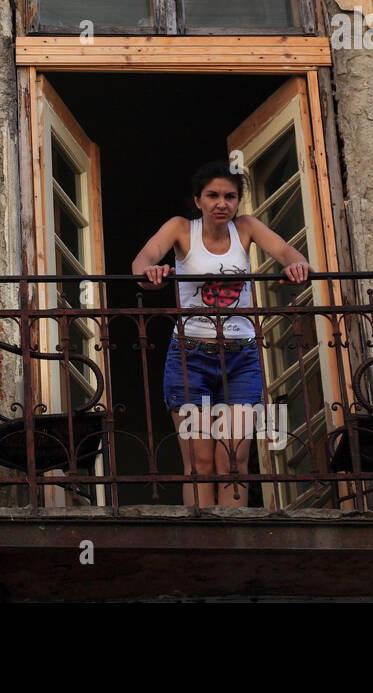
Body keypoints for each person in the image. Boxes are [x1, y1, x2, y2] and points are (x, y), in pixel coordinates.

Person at [130, 159, 310, 507]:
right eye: (212, 195)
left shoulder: (246, 228)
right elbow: (143, 259)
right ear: (198, 200)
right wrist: (150, 272)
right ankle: (201, 548)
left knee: (234, 462)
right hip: (190, 358)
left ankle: (234, 546)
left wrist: (296, 264)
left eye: (230, 196)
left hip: (240, 358)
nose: (221, 203)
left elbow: (288, 252)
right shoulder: (182, 229)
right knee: (199, 463)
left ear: (238, 201)